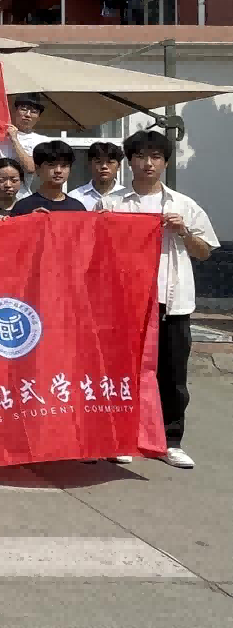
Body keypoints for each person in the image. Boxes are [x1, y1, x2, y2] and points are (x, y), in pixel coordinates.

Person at [99, 130, 218, 469]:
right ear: (130, 162)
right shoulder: (112, 204)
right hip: (126, 302)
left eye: (155, 157)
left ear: (165, 163)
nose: (148, 163)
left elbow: (204, 252)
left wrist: (183, 231)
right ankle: (121, 436)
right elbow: (95, 250)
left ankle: (170, 440)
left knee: (172, 374)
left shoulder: (183, 205)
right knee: (122, 371)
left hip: (172, 301)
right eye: (140, 156)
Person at [0, 93, 46, 191]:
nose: (28, 115)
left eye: (34, 112)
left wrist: (14, 139)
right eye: (23, 109)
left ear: (39, 117)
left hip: (20, 194)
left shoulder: (41, 140)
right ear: (14, 111)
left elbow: (31, 168)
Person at [10, 141, 87, 215]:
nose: (58, 170)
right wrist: (30, 219)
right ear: (37, 169)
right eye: (51, 165)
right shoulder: (23, 207)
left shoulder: (78, 208)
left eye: (64, 166)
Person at [70, 141, 125, 209]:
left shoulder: (127, 197)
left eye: (110, 162)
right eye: (98, 162)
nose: (104, 166)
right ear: (90, 165)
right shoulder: (74, 197)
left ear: (119, 166)